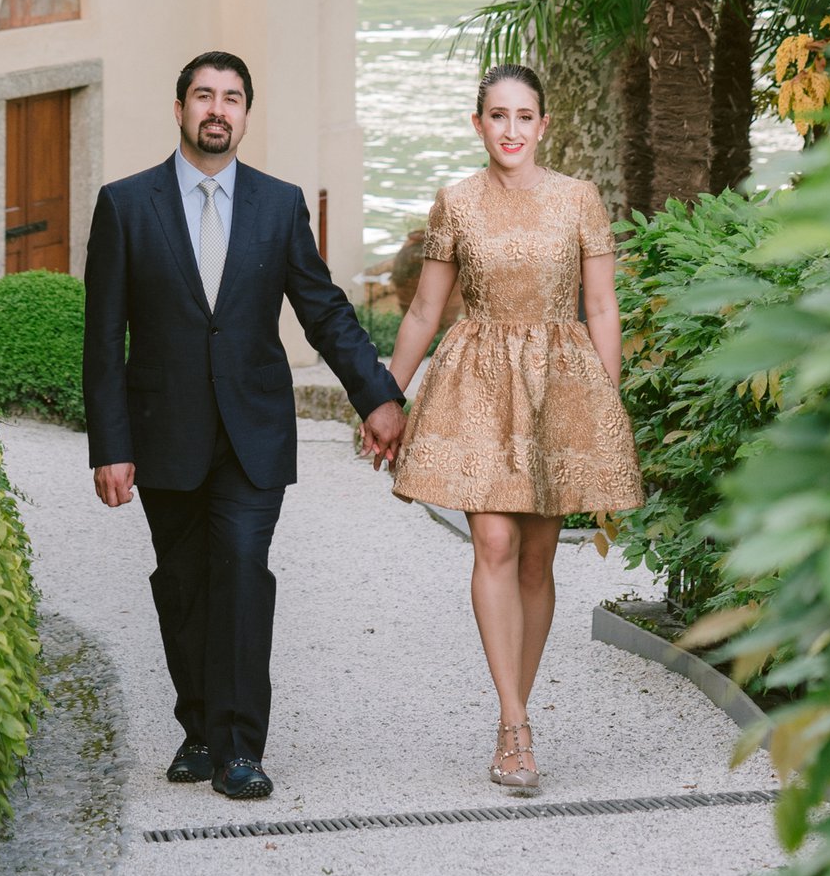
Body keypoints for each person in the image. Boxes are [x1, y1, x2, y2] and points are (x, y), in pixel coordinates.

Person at [82, 51, 406, 802]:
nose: (217, 109)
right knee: (184, 585)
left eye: (231, 98)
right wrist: (111, 445)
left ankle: (238, 748)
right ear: (180, 108)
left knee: (240, 573)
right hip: (165, 432)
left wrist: (377, 396)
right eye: (204, 95)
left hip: (254, 432)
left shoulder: (278, 203)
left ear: (246, 115)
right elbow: (103, 340)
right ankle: (197, 725)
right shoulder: (126, 205)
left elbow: (323, 309)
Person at [384, 62, 642, 795]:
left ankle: (517, 710)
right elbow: (425, 313)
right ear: (478, 124)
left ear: (544, 124)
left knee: (536, 561)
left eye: (524, 116)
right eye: (497, 116)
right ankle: (513, 725)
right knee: (492, 540)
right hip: (477, 382)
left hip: (561, 382)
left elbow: (602, 310)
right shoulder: (456, 203)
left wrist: (604, 407)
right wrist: (385, 397)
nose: (511, 130)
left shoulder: (578, 199)